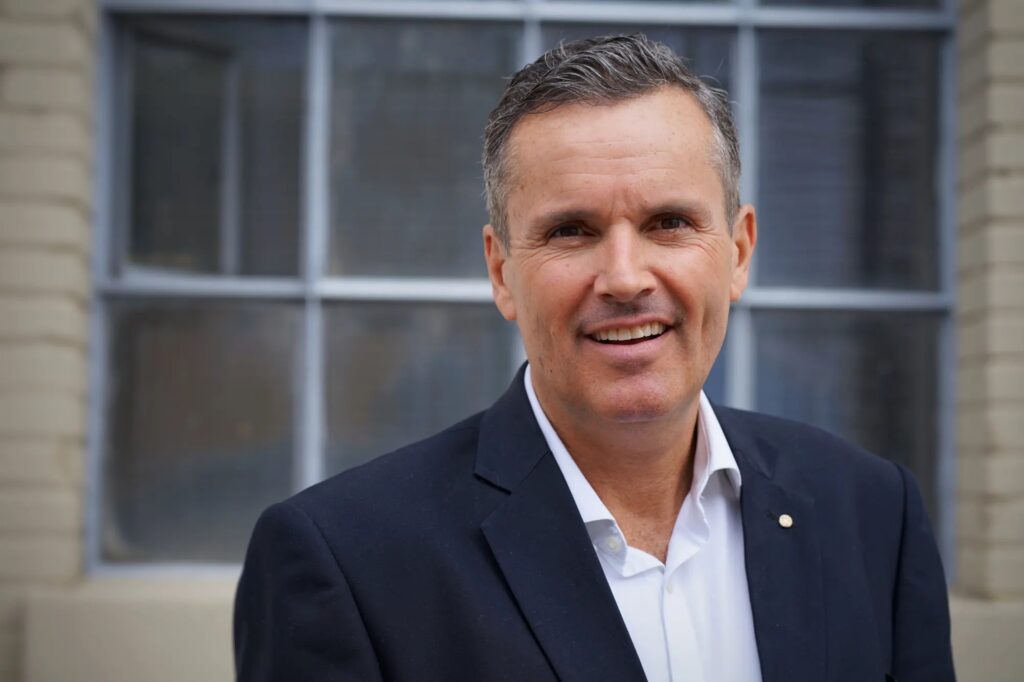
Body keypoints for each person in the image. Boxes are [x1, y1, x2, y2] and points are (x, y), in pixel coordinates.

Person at [234, 34, 955, 682]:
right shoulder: (346, 561)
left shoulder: (870, 513)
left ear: (738, 252)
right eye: (572, 231)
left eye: (668, 222)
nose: (625, 278)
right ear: (501, 270)